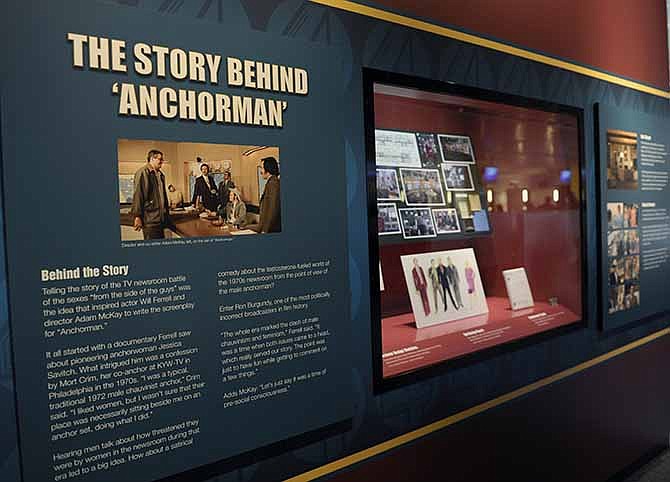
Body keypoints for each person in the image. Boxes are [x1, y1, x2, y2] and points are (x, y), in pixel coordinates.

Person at [130, 149, 172, 240]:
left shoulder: (160, 174)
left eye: (162, 159)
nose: (162, 161)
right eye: (160, 159)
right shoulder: (143, 172)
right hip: (150, 220)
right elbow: (138, 195)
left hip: (160, 220)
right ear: (152, 159)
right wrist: (137, 216)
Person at [250, 157, 281, 233]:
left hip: (270, 230)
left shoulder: (273, 183)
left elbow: (273, 209)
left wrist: (265, 230)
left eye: (262, 168)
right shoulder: (271, 182)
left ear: (268, 169)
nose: (261, 171)